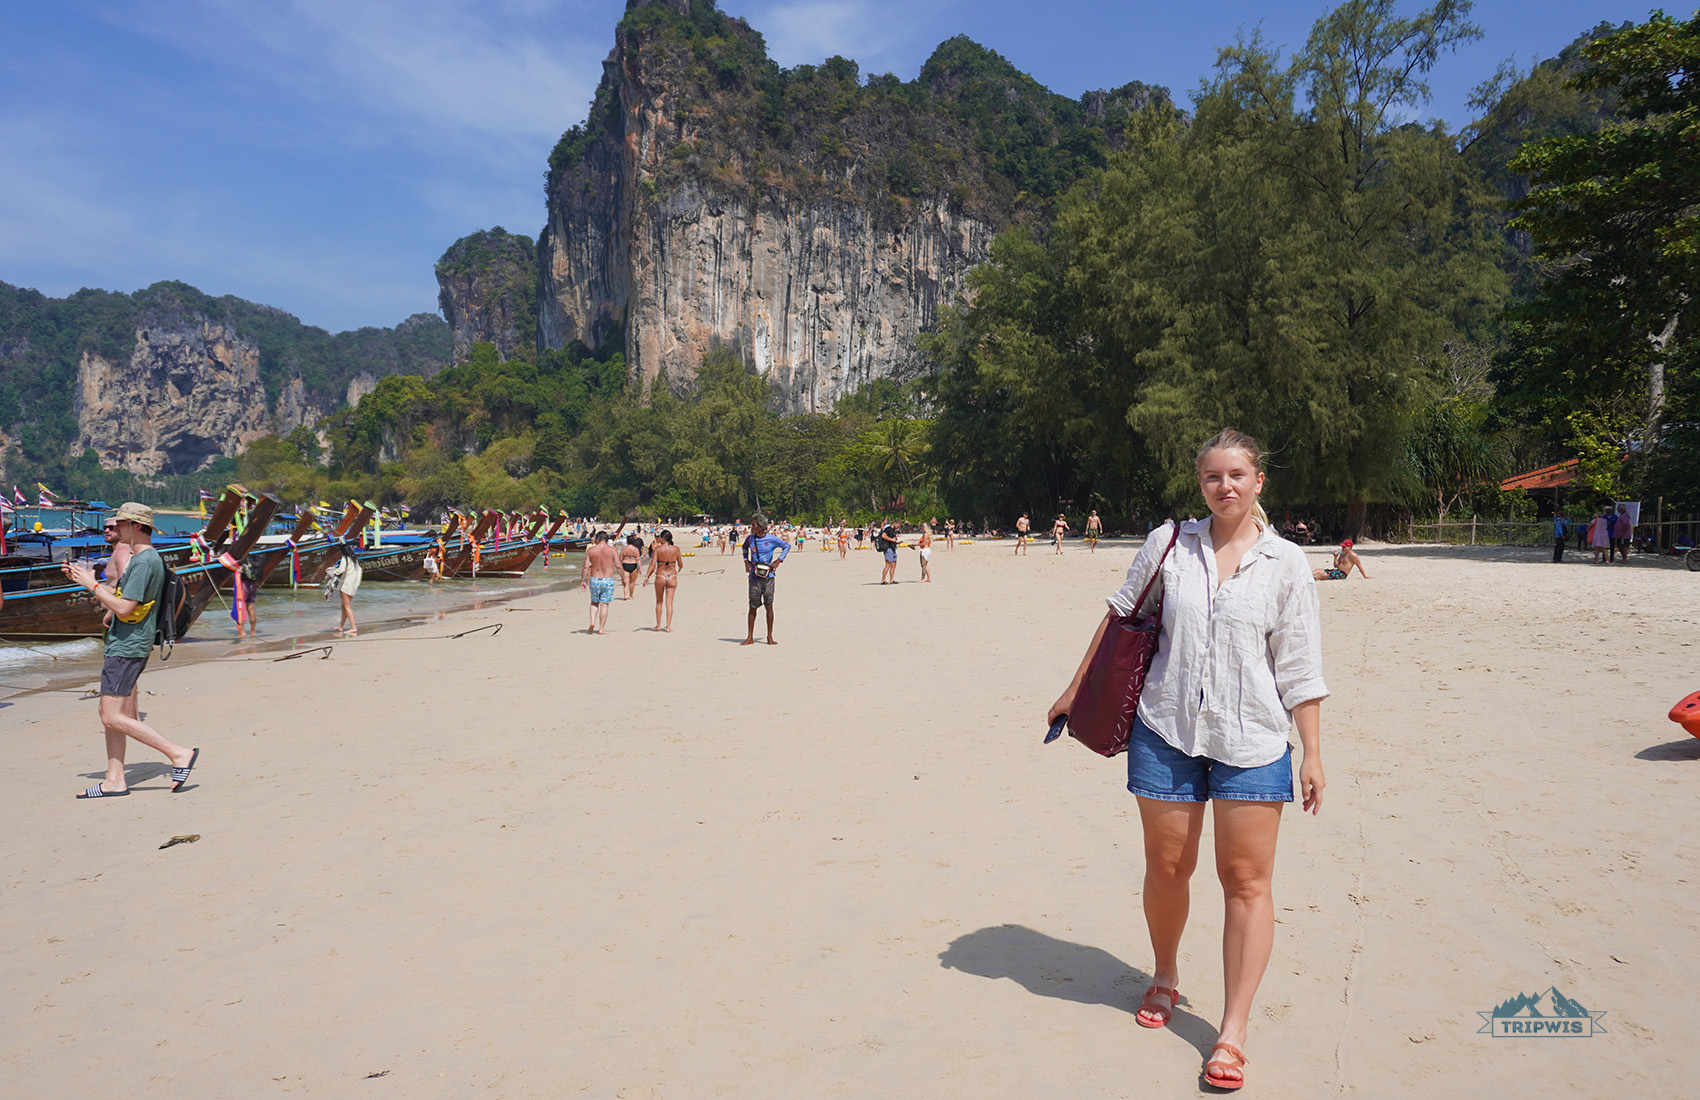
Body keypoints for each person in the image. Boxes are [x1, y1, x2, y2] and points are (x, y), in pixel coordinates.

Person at [1048, 429, 1326, 1091]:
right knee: (1168, 866)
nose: (1224, 486)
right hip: (1165, 728)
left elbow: (1300, 664)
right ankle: (1166, 974)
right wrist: (1073, 689)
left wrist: (1313, 750)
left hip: (1254, 742)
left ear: (1259, 481)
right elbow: (1120, 618)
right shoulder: (1170, 544)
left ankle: (1231, 1030)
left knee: (1246, 881)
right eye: (1212, 477)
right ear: (1199, 483)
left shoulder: (1286, 562)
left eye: (1237, 475)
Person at [61, 502, 200, 798]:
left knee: (112, 716)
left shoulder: (143, 561)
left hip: (128, 645)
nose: (115, 528)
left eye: (121, 524)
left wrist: (90, 585)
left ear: (137, 527)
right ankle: (114, 779)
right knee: (107, 713)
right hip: (125, 642)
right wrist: (87, 581)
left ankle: (178, 754)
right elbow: (126, 600)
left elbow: (125, 608)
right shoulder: (145, 558)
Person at [742, 513, 788, 645]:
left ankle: (769, 637)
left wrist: (778, 561)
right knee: (752, 606)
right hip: (754, 577)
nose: (751, 527)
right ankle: (750, 637)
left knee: (769, 606)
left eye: (754, 525)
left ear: (761, 527)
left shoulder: (771, 539)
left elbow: (786, 546)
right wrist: (746, 560)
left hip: (768, 577)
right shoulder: (750, 539)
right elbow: (744, 548)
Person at [581, 531, 619, 633]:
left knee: (594, 602)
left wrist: (583, 580)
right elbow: (618, 565)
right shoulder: (612, 550)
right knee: (604, 604)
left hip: (594, 580)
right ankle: (601, 629)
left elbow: (585, 566)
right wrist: (624, 578)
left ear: (597, 539)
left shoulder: (591, 550)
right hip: (607, 580)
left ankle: (592, 622)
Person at [644, 529, 682, 632]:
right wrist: (679, 568)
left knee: (659, 602)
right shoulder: (676, 549)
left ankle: (659, 625)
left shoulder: (658, 549)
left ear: (663, 538)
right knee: (669, 603)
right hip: (672, 576)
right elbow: (680, 563)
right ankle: (668, 627)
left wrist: (646, 576)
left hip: (660, 575)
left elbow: (652, 564)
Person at [327, 543, 363, 636]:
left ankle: (353, 627)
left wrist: (331, 572)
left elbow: (340, 570)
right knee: (344, 607)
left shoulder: (345, 559)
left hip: (345, 586)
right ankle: (340, 626)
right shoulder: (355, 561)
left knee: (347, 607)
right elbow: (359, 574)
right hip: (353, 586)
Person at [621, 534, 643, 599]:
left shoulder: (624, 549)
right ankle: (631, 595)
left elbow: (620, 559)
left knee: (626, 582)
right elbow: (638, 559)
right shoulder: (636, 549)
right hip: (633, 564)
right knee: (632, 582)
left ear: (627, 541)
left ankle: (625, 595)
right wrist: (640, 568)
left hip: (625, 564)